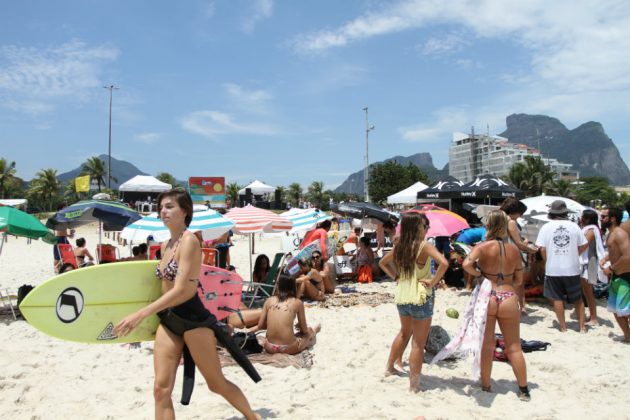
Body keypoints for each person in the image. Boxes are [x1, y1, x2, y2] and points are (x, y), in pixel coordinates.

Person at [113, 188, 259, 420]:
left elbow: (184, 290)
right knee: (161, 390)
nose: (163, 211)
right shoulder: (165, 245)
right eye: (161, 207)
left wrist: (140, 314)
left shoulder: (190, 241)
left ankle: (253, 417)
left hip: (194, 322)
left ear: (185, 211)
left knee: (216, 383)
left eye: (169, 206)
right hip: (168, 321)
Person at [462, 210, 530, 401]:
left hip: (488, 296)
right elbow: (518, 279)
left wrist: (478, 275)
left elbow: (467, 264)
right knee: (514, 346)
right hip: (508, 296)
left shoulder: (482, 247)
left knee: (487, 345)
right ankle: (523, 389)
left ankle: (486, 385)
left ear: (489, 225)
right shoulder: (514, 250)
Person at [378, 212, 448, 392]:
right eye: (424, 226)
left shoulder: (400, 246)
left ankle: (389, 367)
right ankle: (414, 386)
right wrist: (433, 281)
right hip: (420, 296)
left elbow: (382, 263)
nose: (426, 229)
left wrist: (396, 277)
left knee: (403, 333)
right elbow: (444, 263)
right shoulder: (424, 246)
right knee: (418, 342)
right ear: (418, 227)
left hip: (402, 294)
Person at [535, 200, 589, 333]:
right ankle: (582, 327)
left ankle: (563, 327)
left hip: (553, 269)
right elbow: (584, 244)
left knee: (557, 298)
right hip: (572, 268)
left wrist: (549, 260)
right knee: (577, 298)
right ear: (565, 213)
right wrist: (574, 254)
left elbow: (542, 249)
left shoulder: (546, 227)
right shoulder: (574, 226)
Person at [248, 274, 321, 354]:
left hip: (270, 347)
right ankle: (315, 330)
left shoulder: (269, 301)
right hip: (288, 348)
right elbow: (304, 330)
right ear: (293, 286)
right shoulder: (297, 302)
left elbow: (260, 326)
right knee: (309, 332)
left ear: (279, 286)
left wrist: (247, 331)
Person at [500, 198, 538, 314]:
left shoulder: (500, 219)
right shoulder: (511, 222)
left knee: (506, 282)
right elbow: (518, 243)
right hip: (513, 255)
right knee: (518, 283)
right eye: (521, 213)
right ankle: (519, 307)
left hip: (503, 253)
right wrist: (530, 249)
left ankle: (518, 306)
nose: (521, 216)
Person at [600, 207, 630, 342]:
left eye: (604, 217)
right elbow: (615, 251)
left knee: (625, 311)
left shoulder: (619, 233)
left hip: (625, 276)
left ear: (612, 219)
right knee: (616, 311)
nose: (601, 219)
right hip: (616, 277)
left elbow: (628, 256)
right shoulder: (610, 234)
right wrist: (606, 258)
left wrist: (611, 268)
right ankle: (628, 337)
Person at [579, 209, 606, 326]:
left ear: (587, 219)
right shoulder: (592, 229)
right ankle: (591, 315)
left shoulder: (590, 230)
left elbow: (583, 246)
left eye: (582, 217)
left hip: (591, 263)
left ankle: (594, 317)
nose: (580, 219)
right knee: (585, 291)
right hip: (589, 263)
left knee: (588, 292)